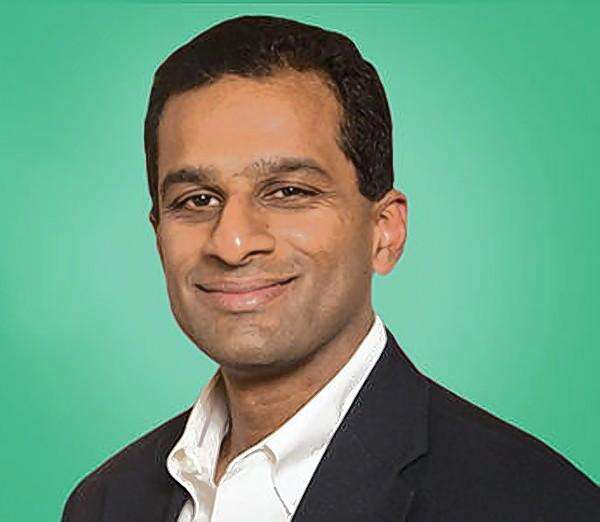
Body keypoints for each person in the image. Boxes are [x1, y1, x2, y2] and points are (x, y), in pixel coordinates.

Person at [62, 14, 600, 522]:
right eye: (197, 200)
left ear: (385, 231)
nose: (232, 242)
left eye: (288, 192)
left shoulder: (538, 505)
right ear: (158, 233)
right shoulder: (105, 501)